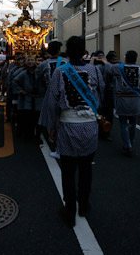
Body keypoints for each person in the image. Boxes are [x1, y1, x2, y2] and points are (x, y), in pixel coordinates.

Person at [39, 36, 104, 227]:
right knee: (86, 167)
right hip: (90, 125)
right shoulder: (94, 70)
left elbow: (52, 100)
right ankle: (84, 205)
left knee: (68, 170)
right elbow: (100, 95)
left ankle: (69, 211)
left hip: (68, 126)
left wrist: (51, 126)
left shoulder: (60, 72)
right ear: (85, 51)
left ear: (67, 51)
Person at [107, 50, 140, 157]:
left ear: (125, 58)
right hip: (136, 99)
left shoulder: (118, 67)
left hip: (122, 98)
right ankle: (131, 143)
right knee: (133, 124)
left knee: (123, 123)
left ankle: (127, 145)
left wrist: (103, 61)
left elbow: (108, 68)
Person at [14, 56, 42, 142]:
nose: (30, 62)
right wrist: (21, 91)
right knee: (28, 119)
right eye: (28, 60)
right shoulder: (23, 72)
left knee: (38, 120)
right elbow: (15, 81)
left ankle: (37, 136)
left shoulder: (40, 72)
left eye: (32, 60)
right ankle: (28, 136)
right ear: (25, 62)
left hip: (38, 98)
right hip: (27, 98)